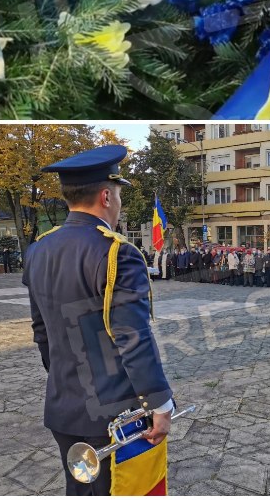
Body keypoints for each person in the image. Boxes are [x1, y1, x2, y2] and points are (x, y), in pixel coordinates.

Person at [21, 145, 173, 496]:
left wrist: (70, 380)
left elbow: (41, 332)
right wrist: (159, 403)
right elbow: (133, 336)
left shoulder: (38, 249)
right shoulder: (117, 252)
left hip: (63, 407)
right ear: (106, 196)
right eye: (118, 194)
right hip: (115, 415)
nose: (118, 203)